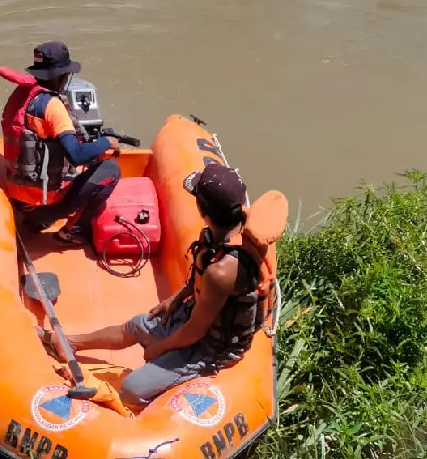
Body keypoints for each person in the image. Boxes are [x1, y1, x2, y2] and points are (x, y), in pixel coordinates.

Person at [38, 163, 263, 406]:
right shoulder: (215, 236)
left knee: (132, 389)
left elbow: (196, 330)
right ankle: (69, 342)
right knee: (136, 325)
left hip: (210, 348)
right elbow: (197, 280)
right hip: (196, 315)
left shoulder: (223, 271)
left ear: (203, 210)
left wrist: (160, 348)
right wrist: (173, 300)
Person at [0, 41, 121, 244]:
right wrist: (107, 141)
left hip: (20, 202)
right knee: (110, 168)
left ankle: (43, 218)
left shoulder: (21, 95)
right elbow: (76, 154)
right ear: (61, 76)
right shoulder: (53, 106)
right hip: (41, 209)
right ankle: (71, 230)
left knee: (88, 160)